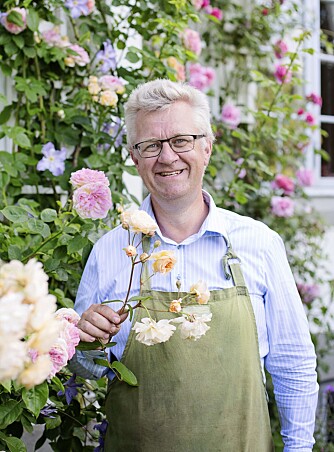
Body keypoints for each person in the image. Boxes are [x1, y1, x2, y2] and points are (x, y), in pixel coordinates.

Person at [71, 79, 319, 451]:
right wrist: (86, 343)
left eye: (180, 140)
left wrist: (298, 448)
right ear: (134, 158)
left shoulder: (258, 244)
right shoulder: (109, 251)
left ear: (207, 146)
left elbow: (293, 364)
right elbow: (87, 370)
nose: (167, 157)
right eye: (150, 145)